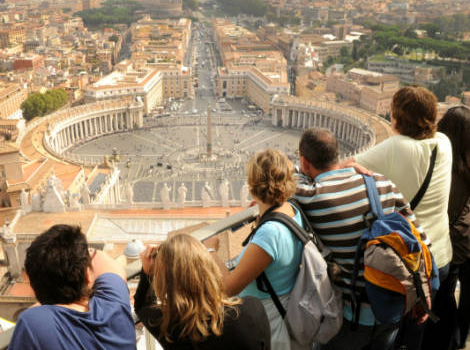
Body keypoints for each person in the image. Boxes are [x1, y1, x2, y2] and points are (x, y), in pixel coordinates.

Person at [293, 128, 428, 350]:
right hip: (393, 305)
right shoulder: (381, 182)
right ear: (336, 156)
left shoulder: (311, 196)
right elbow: (420, 240)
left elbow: (284, 176)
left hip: (352, 316)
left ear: (305, 162)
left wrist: (302, 166)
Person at [346, 86, 453, 349]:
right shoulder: (444, 143)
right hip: (438, 258)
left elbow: (344, 166)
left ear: (396, 118)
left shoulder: (396, 147)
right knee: (415, 334)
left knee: (390, 334)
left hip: (405, 262)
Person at [205, 148, 306, 350]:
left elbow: (228, 288)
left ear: (252, 187)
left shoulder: (270, 233)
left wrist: (210, 251)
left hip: (270, 325)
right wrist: (262, 214)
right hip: (284, 308)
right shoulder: (292, 210)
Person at [9, 224, 136, 350]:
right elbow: (105, 261)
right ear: (87, 275)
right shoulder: (114, 300)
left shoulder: (33, 323)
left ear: (34, 286)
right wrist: (80, 254)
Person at [134, 234, 270, 350]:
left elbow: (141, 306)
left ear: (165, 281)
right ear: (209, 268)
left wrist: (148, 273)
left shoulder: (169, 326)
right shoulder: (251, 310)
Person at [422, 106, 470, 350]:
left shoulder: (440, 164)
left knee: (442, 299)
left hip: (448, 245)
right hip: (465, 242)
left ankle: (444, 339)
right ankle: (456, 339)